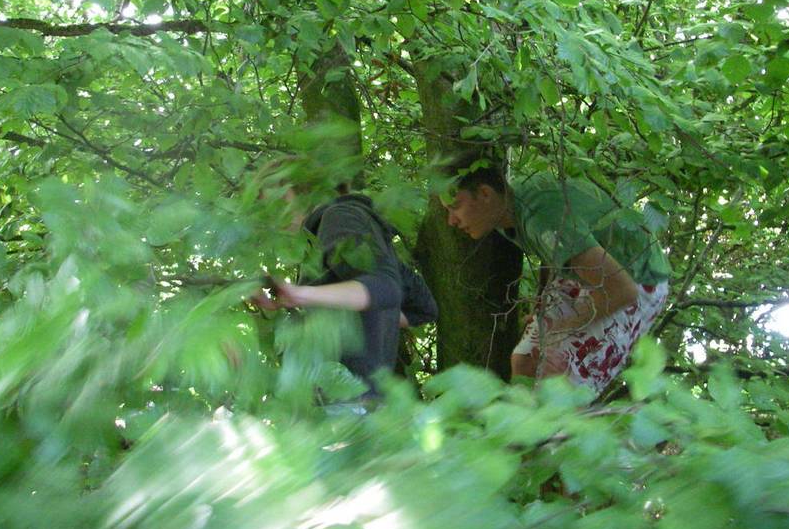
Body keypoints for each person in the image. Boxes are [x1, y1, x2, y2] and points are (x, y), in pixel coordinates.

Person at [444, 165, 670, 395]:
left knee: (562, 377)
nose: (451, 220)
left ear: (485, 194)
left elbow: (622, 291)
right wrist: (542, 304)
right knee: (524, 363)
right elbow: (555, 248)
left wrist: (561, 330)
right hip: (585, 269)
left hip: (635, 277)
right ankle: (525, 425)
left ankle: (562, 427)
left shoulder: (539, 215)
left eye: (455, 207)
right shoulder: (505, 211)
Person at [253, 166, 437, 395]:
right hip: (361, 404)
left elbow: (385, 289)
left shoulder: (337, 217)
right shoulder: (341, 231)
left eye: (276, 200)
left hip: (353, 407)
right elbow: (422, 307)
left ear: (303, 190)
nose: (271, 214)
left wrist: (298, 294)